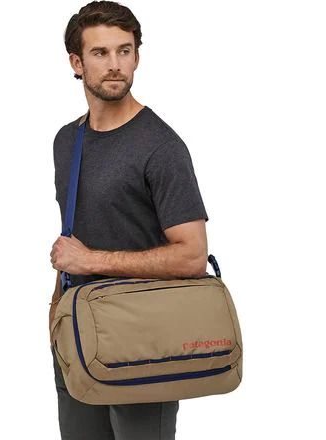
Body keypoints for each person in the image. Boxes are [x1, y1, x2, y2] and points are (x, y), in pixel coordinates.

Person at [48, 1, 209, 439]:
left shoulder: (161, 146)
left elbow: (193, 256)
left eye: (125, 50)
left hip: (141, 339)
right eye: (100, 53)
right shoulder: (68, 141)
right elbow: (74, 238)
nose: (115, 64)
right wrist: (55, 311)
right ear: (77, 63)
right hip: (78, 333)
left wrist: (90, 260)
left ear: (137, 56)